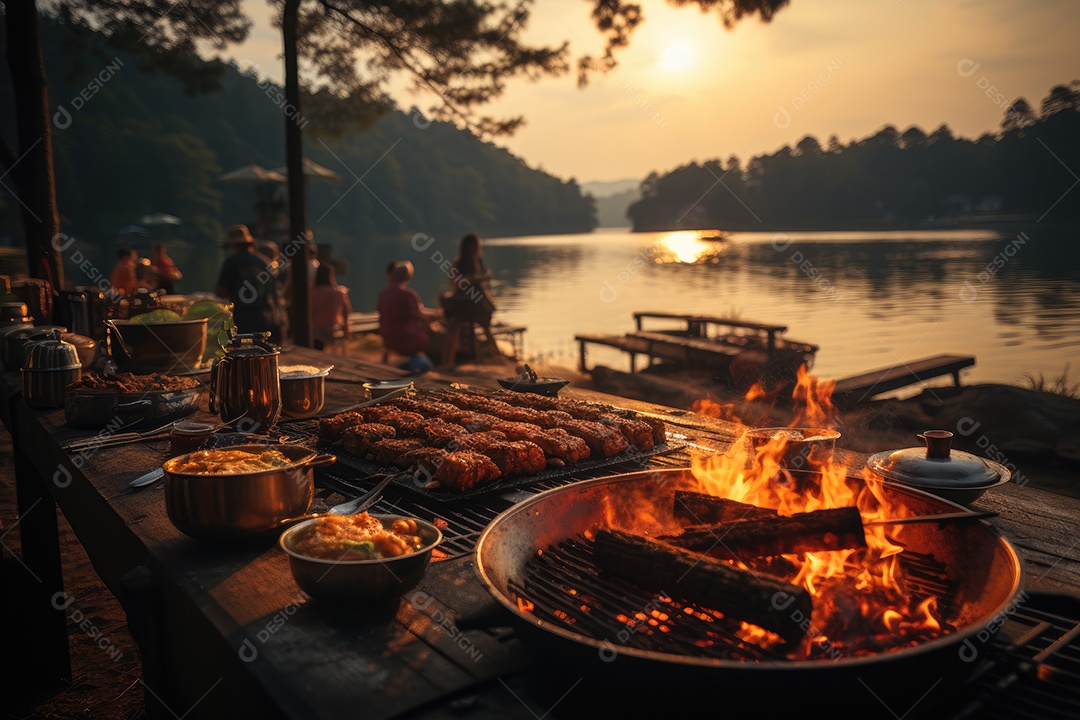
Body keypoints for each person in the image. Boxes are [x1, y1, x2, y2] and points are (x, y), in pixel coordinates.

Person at [215, 224, 286, 344]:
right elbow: (273, 293)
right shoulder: (264, 262)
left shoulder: (232, 262)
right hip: (263, 317)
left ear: (233, 245)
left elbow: (221, 291)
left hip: (240, 317)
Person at [439, 233, 496, 368]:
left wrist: (488, 297)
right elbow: (454, 283)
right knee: (454, 328)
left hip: (477, 302)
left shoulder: (479, 262)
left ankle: (497, 358)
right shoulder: (458, 263)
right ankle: (449, 362)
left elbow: (485, 281)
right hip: (463, 303)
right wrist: (472, 278)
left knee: (486, 328)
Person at [377, 260, 439, 375]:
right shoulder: (408, 294)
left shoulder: (383, 293)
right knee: (431, 332)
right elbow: (419, 315)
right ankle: (428, 365)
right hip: (406, 338)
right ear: (408, 276)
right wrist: (437, 315)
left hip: (387, 337)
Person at [310, 264, 352, 355]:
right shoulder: (339, 293)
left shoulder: (312, 293)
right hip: (333, 329)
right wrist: (345, 328)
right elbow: (346, 310)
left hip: (316, 331)